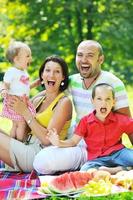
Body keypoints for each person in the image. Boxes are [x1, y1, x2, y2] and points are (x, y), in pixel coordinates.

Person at [33, 40, 131, 175]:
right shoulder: (73, 81)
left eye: (90, 55)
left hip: (106, 148)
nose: (83, 60)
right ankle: (96, 167)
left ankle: (113, 167)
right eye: (80, 55)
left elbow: (128, 124)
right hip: (78, 143)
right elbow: (51, 90)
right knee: (41, 161)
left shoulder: (113, 83)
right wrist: (26, 91)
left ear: (100, 59)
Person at [0, 55, 72, 172]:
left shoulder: (64, 102)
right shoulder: (41, 97)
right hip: (26, 145)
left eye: (57, 72)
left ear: (63, 77)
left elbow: (47, 140)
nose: (51, 75)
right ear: (42, 75)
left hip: (39, 154)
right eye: (47, 70)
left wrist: (25, 112)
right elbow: (22, 117)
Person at [47, 83, 133, 174]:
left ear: (113, 102)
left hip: (119, 154)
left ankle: (117, 170)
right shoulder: (85, 122)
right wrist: (59, 142)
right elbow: (73, 141)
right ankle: (122, 169)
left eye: (108, 99)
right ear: (93, 101)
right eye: (99, 99)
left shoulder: (120, 120)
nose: (104, 103)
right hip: (97, 159)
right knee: (85, 171)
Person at [0, 41, 40, 141]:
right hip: (16, 101)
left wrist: (34, 84)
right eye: (27, 56)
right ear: (17, 59)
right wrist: (4, 90)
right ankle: (18, 143)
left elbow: (23, 88)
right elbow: (5, 83)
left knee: (16, 123)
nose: (30, 58)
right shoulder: (12, 71)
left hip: (22, 99)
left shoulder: (23, 72)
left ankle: (11, 142)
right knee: (21, 123)